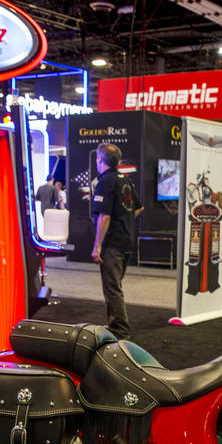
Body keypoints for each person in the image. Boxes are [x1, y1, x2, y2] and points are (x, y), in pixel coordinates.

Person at [91, 142, 142, 340]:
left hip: (112, 243)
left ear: (101, 160)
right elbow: (138, 207)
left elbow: (104, 216)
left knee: (112, 288)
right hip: (126, 240)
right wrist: (125, 220)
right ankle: (114, 324)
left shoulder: (105, 181)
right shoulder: (125, 180)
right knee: (115, 285)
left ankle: (120, 330)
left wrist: (97, 246)